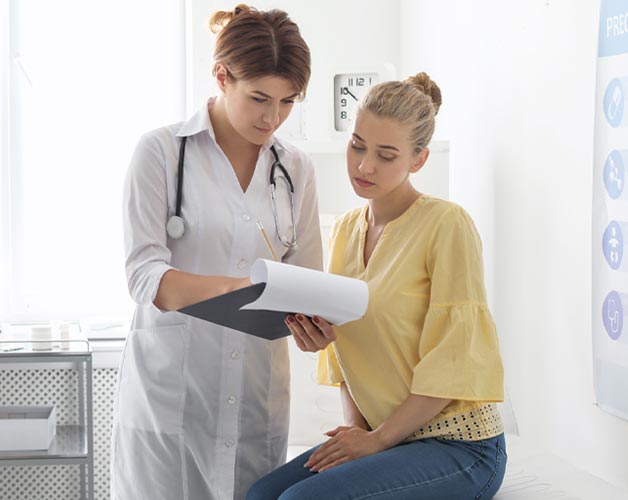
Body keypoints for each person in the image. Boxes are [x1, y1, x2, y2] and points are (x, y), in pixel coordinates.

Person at [247, 73, 507, 500]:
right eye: (357, 145)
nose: (365, 165)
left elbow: (454, 360)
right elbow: (346, 345)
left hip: (460, 447)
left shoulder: (447, 224)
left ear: (418, 160)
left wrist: (379, 441)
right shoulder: (347, 229)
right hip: (387, 438)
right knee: (261, 494)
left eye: (387, 155)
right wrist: (355, 431)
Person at [115, 5, 322, 500]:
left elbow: (307, 280)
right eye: (258, 98)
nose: (272, 117)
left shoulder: (296, 169)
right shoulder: (162, 152)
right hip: (171, 402)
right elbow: (145, 276)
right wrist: (243, 291)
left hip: (256, 402)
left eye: (288, 101)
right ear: (221, 76)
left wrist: (314, 325)